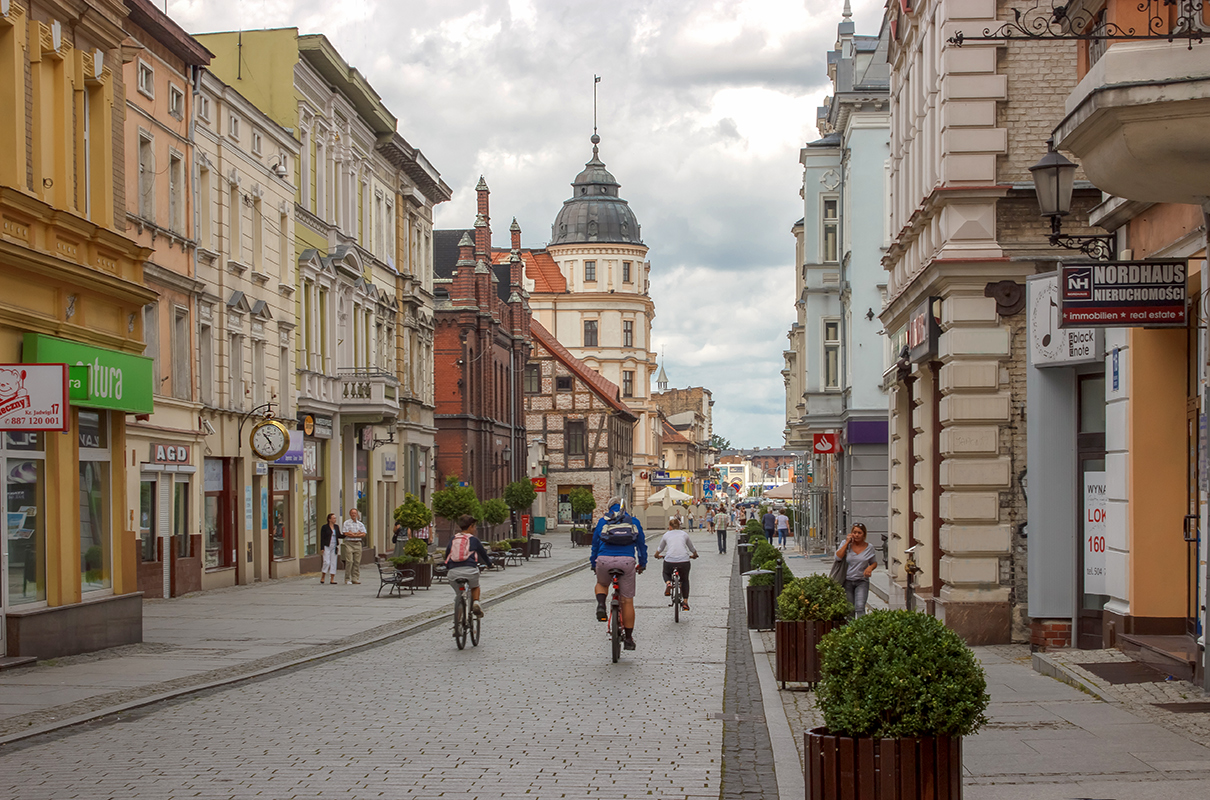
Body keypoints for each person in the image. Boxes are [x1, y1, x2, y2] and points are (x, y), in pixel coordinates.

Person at [591, 496, 648, 650]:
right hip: (626, 562)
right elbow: (641, 545)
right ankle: (628, 639)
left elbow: (595, 544)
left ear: (609, 508)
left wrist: (593, 563)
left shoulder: (603, 521)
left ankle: (601, 605)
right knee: (627, 601)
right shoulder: (633, 522)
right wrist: (642, 563)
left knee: (602, 584)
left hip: (604, 560)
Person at [444, 514, 493, 617]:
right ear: (470, 526)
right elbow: (483, 554)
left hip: (453, 573)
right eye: (474, 526)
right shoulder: (474, 540)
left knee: (459, 594)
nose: (475, 529)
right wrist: (489, 564)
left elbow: (447, 555)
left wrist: (448, 567)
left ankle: (457, 625)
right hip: (470, 570)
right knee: (475, 586)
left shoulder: (454, 539)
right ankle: (476, 602)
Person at [654, 517, 698, 611]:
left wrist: (656, 555)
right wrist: (695, 554)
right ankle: (685, 602)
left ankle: (668, 583)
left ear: (670, 527)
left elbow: (660, 548)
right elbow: (691, 547)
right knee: (685, 579)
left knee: (666, 572)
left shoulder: (666, 535)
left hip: (670, 560)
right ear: (679, 526)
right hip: (684, 561)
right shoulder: (684, 534)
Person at [836, 522, 877, 617]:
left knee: (860, 607)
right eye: (854, 532)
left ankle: (861, 629)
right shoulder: (845, 544)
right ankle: (850, 629)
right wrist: (847, 543)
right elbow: (838, 557)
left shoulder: (869, 548)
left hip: (862, 581)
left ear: (864, 535)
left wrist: (870, 568)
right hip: (847, 581)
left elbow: (874, 562)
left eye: (859, 533)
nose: (856, 535)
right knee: (850, 609)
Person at [341, 507, 367, 584]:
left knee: (357, 561)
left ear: (357, 514)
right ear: (350, 514)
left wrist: (353, 534)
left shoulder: (360, 524)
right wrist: (357, 534)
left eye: (355, 513)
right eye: (352, 513)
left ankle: (355, 578)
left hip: (358, 544)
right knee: (349, 561)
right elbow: (345, 533)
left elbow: (364, 534)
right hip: (349, 543)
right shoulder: (346, 523)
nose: (353, 515)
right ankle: (347, 578)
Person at [319, 513, 342, 584]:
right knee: (326, 561)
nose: (335, 519)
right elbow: (322, 538)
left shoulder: (336, 527)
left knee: (333, 562)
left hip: (334, 546)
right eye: (333, 518)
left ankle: (332, 578)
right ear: (329, 519)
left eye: (335, 518)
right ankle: (323, 576)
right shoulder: (325, 527)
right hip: (327, 545)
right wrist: (322, 547)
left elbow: (339, 535)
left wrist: (347, 534)